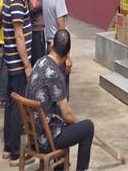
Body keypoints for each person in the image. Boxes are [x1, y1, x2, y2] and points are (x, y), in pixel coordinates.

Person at [25, 29, 94, 171]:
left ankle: (60, 166)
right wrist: (77, 124)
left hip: (33, 135)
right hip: (45, 140)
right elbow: (67, 115)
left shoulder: (39, 61)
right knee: (88, 127)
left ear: (52, 44)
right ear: (68, 54)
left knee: (60, 120)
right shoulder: (56, 74)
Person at [2, 0, 35, 167]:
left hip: (13, 61)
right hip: (17, 63)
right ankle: (15, 154)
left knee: (11, 103)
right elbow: (19, 36)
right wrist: (27, 65)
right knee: (17, 107)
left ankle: (8, 147)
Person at [42, 0, 71, 98]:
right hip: (59, 49)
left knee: (52, 91)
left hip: (50, 46)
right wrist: (67, 56)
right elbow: (61, 27)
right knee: (61, 93)